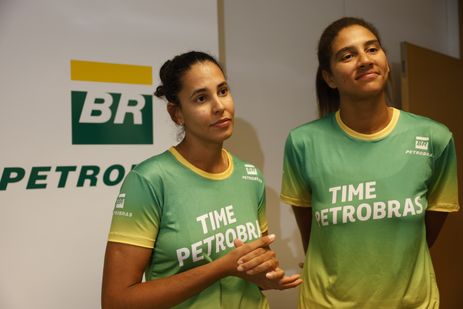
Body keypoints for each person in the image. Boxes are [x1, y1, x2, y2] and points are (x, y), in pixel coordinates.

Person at [280, 17, 460, 309]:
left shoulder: (435, 139)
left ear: (386, 62)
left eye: (372, 49)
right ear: (329, 77)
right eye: (348, 55)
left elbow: (421, 237)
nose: (364, 60)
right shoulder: (303, 143)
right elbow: (313, 235)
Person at [102, 51, 302, 309]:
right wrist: (221, 268)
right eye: (201, 98)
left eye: (223, 91)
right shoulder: (149, 180)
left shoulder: (250, 176)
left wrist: (267, 276)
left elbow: (253, 267)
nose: (219, 106)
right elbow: (116, 301)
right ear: (177, 114)